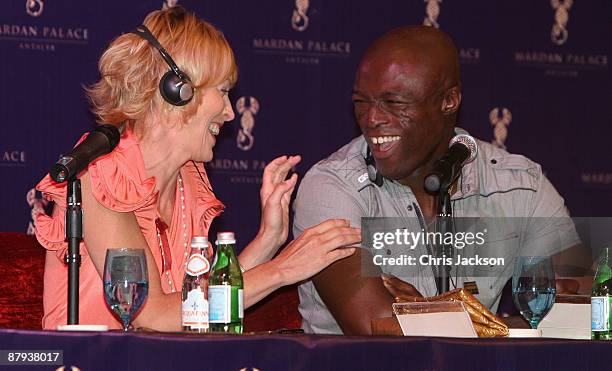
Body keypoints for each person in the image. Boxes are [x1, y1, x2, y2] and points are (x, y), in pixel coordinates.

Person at [34, 6, 360, 331]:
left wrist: (269, 239)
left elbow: (194, 303)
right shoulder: (101, 172)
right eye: (223, 92)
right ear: (178, 90)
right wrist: (283, 269)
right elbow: (154, 313)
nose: (231, 113)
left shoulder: (187, 178)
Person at [292, 25, 583, 335]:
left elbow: (586, 310)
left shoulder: (519, 183)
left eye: (394, 103)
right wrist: (511, 325)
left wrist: (433, 314)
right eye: (361, 102)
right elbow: (375, 328)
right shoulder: (332, 187)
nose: (372, 119)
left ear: (449, 101)